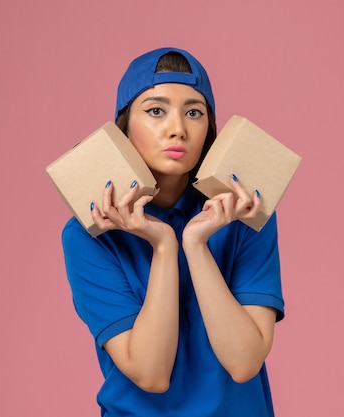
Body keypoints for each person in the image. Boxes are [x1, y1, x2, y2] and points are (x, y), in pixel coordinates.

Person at [61, 47, 284, 417]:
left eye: (194, 112)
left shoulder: (246, 213)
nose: (177, 128)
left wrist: (195, 244)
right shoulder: (90, 234)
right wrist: (164, 244)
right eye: (155, 110)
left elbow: (245, 362)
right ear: (123, 128)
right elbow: (151, 374)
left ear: (210, 129)